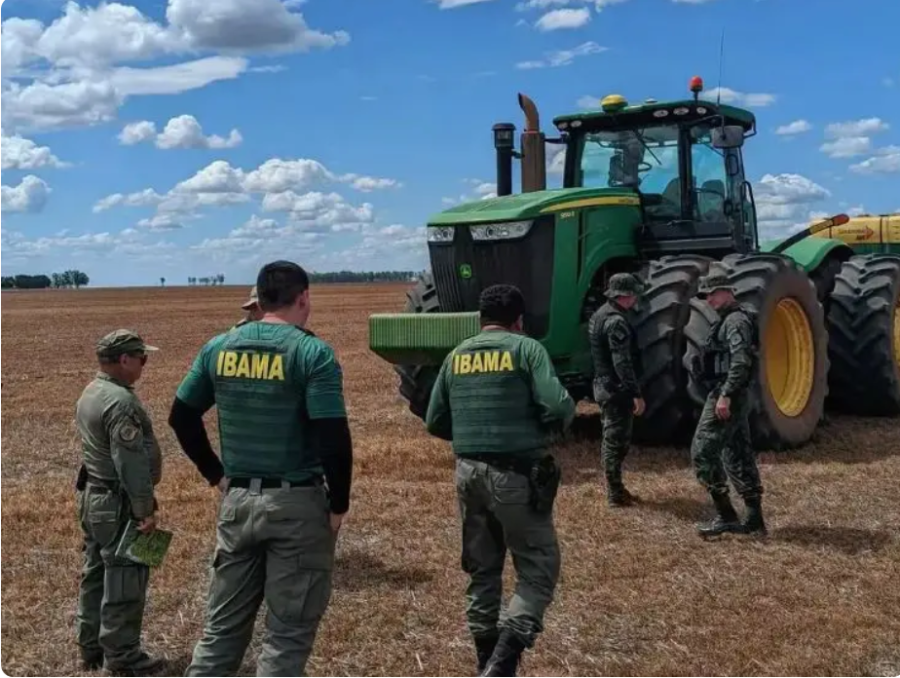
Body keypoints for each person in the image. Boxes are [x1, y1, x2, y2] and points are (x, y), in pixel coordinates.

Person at [168, 260, 353, 676]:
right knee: (286, 638)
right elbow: (333, 438)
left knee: (221, 631)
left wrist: (216, 475)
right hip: (297, 504)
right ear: (303, 298)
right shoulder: (312, 353)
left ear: (259, 298)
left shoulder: (218, 347)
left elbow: (181, 417)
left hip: (238, 504)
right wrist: (338, 503)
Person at [425, 284, 575, 677]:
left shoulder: (457, 355)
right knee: (538, 566)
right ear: (519, 320)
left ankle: (483, 661)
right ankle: (502, 665)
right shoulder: (526, 349)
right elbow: (558, 404)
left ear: (480, 319)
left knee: (482, 569)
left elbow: (434, 420)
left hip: (467, 474)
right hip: (516, 476)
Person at [74, 329, 164, 676]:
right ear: (124, 360)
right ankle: (124, 658)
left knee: (95, 572)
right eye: (142, 358)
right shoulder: (121, 402)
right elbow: (131, 463)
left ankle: (90, 648)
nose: (144, 364)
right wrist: (145, 510)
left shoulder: (92, 391)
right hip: (118, 502)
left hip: (93, 499)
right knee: (126, 580)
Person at [689, 272, 766, 538]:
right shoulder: (729, 319)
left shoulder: (735, 321)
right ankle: (754, 518)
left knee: (702, 451)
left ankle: (726, 515)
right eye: (706, 295)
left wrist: (726, 395)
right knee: (737, 453)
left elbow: (741, 361)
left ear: (726, 291)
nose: (708, 300)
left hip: (727, 393)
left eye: (712, 294)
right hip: (729, 391)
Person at [587, 272, 646, 507]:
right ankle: (614, 493)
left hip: (604, 385)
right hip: (615, 390)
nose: (635, 301)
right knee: (615, 442)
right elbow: (622, 362)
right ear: (625, 296)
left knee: (615, 440)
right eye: (633, 296)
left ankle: (617, 489)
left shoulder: (599, 315)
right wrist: (635, 393)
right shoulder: (616, 321)